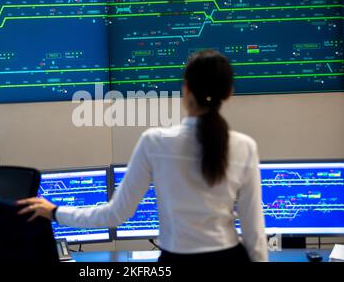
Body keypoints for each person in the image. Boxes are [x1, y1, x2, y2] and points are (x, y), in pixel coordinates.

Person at [17, 49, 268, 262]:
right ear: (229, 93)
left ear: (186, 89)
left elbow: (116, 214)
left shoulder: (155, 142)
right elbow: (254, 233)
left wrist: (55, 212)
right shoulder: (245, 146)